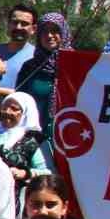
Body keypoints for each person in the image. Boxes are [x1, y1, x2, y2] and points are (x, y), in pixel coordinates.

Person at [14, 13, 71, 149]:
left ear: (63, 32)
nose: (49, 35)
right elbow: (19, 102)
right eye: (45, 31)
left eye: (55, 30)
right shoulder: (30, 67)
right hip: (33, 138)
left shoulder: (75, 66)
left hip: (68, 137)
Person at [0, 92, 49, 192]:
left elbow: (47, 173)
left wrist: (24, 173)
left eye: (14, 109)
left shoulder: (33, 140)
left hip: (15, 195)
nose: (7, 112)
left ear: (25, 113)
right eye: (4, 108)